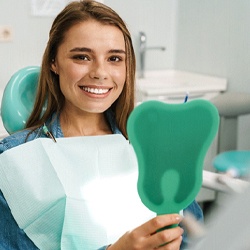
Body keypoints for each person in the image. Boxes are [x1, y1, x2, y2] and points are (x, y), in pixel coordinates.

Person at [0, 1, 203, 249]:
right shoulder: (15, 160)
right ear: (54, 62)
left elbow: (194, 236)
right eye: (82, 57)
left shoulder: (154, 148)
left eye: (115, 58)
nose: (100, 72)